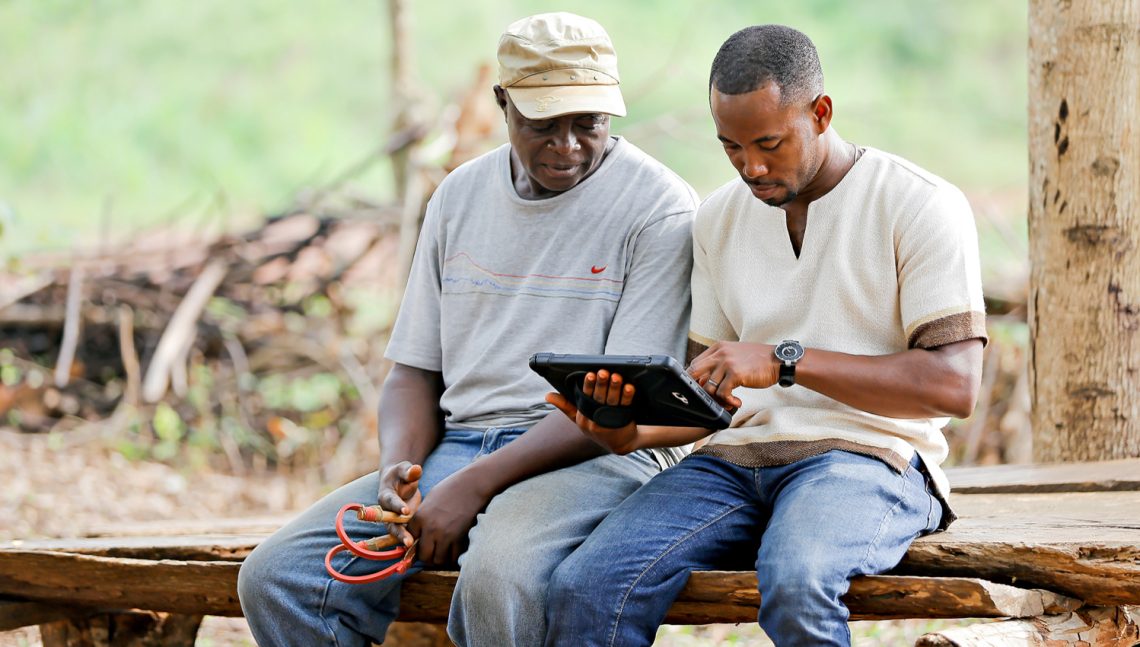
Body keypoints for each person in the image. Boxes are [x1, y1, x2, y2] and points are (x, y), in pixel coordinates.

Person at [236, 12, 697, 647]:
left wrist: (472, 487)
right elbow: (413, 371)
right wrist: (402, 468)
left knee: (499, 580)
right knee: (279, 577)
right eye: (543, 126)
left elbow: (612, 405)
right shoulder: (459, 196)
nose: (567, 147)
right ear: (502, 103)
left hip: (594, 454)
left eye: (587, 124)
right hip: (457, 446)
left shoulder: (658, 208)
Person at [544, 24, 987, 647]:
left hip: (867, 460)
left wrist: (785, 362)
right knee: (585, 587)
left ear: (822, 113)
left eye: (770, 144)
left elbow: (954, 386)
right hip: (731, 465)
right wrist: (630, 432)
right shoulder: (719, 217)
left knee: (798, 580)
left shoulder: (918, 204)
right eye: (731, 147)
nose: (751, 166)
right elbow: (712, 405)